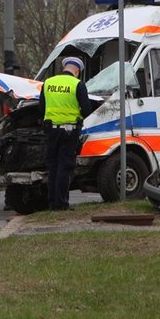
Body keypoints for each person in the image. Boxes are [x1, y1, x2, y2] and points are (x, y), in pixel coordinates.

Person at [39, 56, 92, 211]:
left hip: (51, 131)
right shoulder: (77, 84)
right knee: (65, 167)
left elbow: (41, 108)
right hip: (69, 132)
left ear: (65, 67)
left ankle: (51, 202)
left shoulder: (48, 83)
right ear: (77, 71)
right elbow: (87, 109)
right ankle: (61, 203)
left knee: (53, 167)